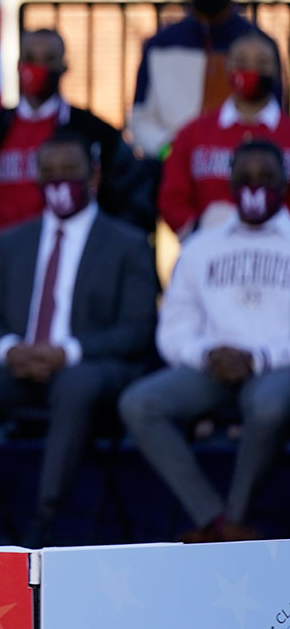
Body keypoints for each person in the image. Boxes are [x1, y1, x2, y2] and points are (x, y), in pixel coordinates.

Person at [0, 130, 159, 547]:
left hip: (88, 368)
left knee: (75, 384)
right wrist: (9, 349)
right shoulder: (12, 241)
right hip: (20, 365)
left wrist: (66, 352)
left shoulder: (128, 243)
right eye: (49, 172)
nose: (59, 180)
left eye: (70, 170)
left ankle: (46, 520)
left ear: (95, 176)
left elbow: (138, 330)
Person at [119, 140, 290, 543]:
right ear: (228, 182)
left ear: (284, 181)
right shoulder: (201, 246)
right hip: (213, 367)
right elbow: (174, 327)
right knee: (139, 403)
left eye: (266, 177)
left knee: (270, 406)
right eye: (244, 177)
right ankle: (214, 519)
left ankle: (237, 515)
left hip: (278, 367)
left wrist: (261, 358)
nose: (254, 186)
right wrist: (207, 353)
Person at [0, 28, 154, 295]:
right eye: (31, 58)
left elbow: (132, 199)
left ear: (64, 67)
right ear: (18, 66)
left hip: (74, 269)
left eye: (48, 59)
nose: (38, 67)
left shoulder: (96, 134)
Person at [129, 0, 271, 159]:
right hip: (173, 167)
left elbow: (274, 112)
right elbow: (140, 118)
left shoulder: (258, 45)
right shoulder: (160, 45)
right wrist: (170, 151)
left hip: (241, 167)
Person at [159, 31, 290, 237]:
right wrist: (198, 232)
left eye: (262, 63)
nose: (251, 70)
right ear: (227, 66)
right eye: (241, 62)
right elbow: (172, 198)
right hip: (211, 253)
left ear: (276, 70)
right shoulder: (193, 133)